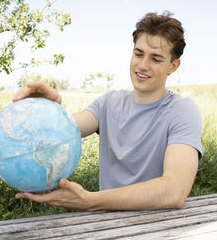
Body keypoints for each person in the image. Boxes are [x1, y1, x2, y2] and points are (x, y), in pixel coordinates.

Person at [13, 11, 202, 211]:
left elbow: (174, 190)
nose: (143, 65)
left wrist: (89, 201)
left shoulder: (182, 111)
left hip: (158, 229)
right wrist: (50, 110)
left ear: (173, 66)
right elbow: (64, 129)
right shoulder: (108, 103)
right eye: (138, 54)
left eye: (156, 59)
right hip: (105, 227)